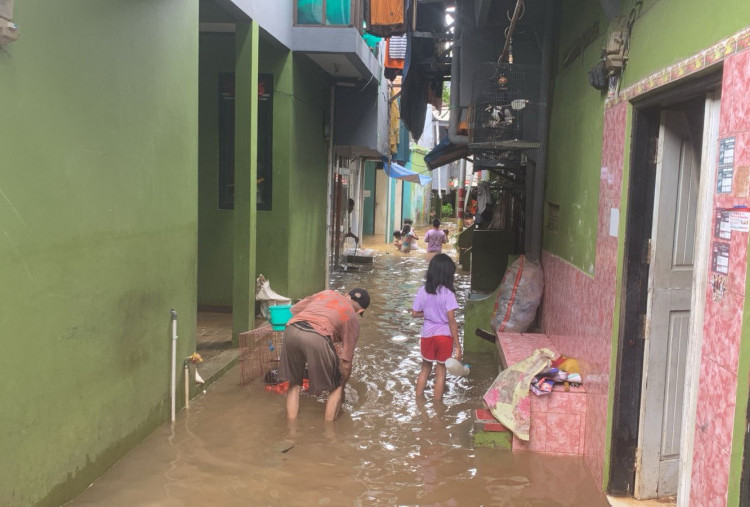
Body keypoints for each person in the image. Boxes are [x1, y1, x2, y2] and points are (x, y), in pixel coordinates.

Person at [279, 288, 370, 421]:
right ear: (360, 311)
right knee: (336, 386)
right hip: (317, 337)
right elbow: (346, 361)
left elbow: (295, 309)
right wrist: (342, 383)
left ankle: (291, 431)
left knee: (294, 383)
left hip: (291, 330)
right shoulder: (353, 319)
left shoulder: (327, 293)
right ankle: (329, 435)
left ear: (346, 295)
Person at [411, 254, 462, 401]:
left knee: (425, 369)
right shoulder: (448, 294)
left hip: (427, 334)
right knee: (441, 373)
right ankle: (437, 408)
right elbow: (452, 321)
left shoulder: (422, 291)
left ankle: (418, 401)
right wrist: (458, 346)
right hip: (444, 336)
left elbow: (414, 314)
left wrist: (428, 314)